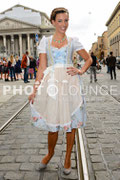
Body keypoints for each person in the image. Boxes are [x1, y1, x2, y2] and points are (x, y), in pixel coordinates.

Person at [29, 7, 92, 175]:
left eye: (66, 20)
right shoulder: (45, 41)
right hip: (51, 85)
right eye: (60, 21)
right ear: (53, 22)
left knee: (70, 124)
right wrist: (35, 88)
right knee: (53, 126)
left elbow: (88, 59)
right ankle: (50, 154)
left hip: (69, 84)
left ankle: (68, 158)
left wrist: (80, 71)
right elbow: (42, 67)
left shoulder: (73, 41)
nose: (64, 24)